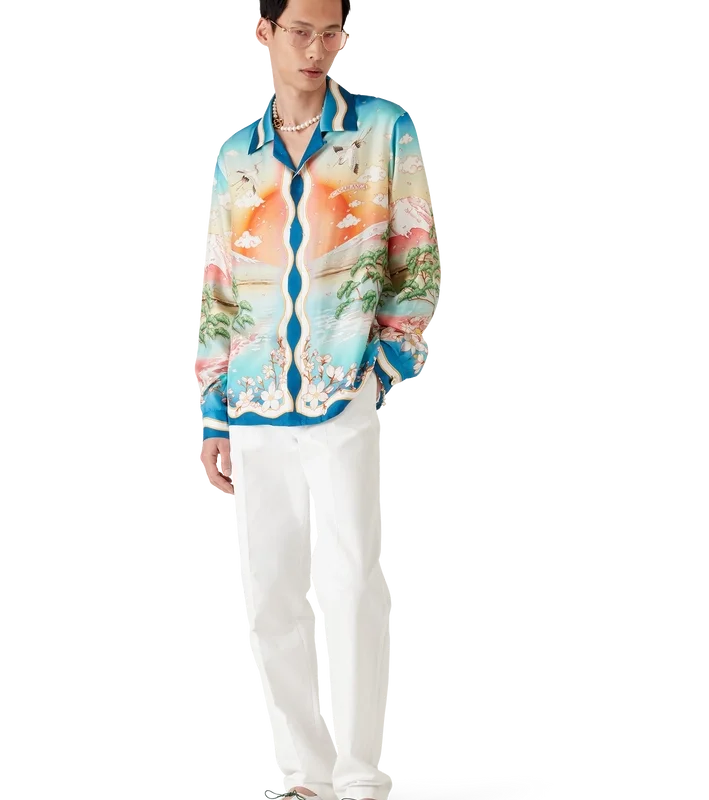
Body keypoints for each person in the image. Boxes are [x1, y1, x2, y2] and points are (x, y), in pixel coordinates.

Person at [193, 1, 443, 797]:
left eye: (331, 32)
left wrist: (386, 365)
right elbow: (218, 285)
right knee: (270, 597)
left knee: (353, 585)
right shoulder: (237, 153)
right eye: (300, 31)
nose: (318, 48)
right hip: (255, 399)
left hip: (345, 393)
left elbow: (416, 249)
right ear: (262, 32)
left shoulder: (382, 130)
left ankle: (360, 776)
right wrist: (214, 411)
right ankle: (304, 773)